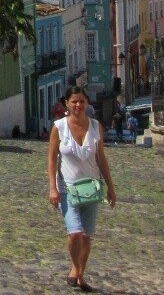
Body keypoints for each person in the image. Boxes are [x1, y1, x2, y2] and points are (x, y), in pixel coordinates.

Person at [48, 86, 117, 291]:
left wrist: (111, 188)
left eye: (82, 101)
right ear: (67, 104)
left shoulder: (96, 127)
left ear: (87, 103)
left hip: (91, 188)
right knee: (75, 232)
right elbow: (52, 159)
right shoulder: (59, 127)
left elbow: (101, 158)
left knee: (87, 235)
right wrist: (52, 188)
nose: (78, 105)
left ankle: (80, 273)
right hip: (67, 188)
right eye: (74, 102)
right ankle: (75, 270)